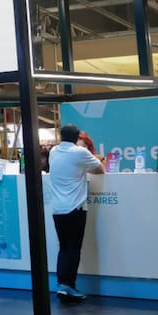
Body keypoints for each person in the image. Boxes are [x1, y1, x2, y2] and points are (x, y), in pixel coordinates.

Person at [48, 124, 105, 302]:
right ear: (76, 137)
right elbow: (100, 169)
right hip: (75, 208)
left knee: (64, 247)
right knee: (73, 248)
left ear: (61, 136)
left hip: (57, 209)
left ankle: (62, 284)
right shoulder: (79, 152)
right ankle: (67, 286)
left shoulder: (53, 151)